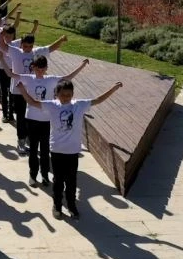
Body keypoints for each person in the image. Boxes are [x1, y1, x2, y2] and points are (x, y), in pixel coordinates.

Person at [20, 79, 123, 220]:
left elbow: (98, 100)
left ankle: (71, 204)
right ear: (57, 94)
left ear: (73, 94)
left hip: (73, 151)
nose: (66, 97)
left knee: (71, 180)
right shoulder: (51, 105)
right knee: (58, 180)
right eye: (63, 94)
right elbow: (32, 102)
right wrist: (21, 89)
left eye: (68, 94)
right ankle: (57, 205)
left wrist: (113, 88)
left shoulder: (79, 105)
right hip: (56, 149)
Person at [0, 55, 89, 187]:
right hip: (32, 119)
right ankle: (33, 175)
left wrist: (82, 66)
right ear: (33, 67)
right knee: (34, 150)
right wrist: (1, 59)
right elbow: (10, 73)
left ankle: (45, 175)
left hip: (47, 121)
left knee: (46, 150)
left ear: (46, 68)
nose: (40, 71)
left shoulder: (51, 79)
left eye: (43, 68)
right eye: (37, 68)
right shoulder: (28, 78)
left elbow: (68, 77)